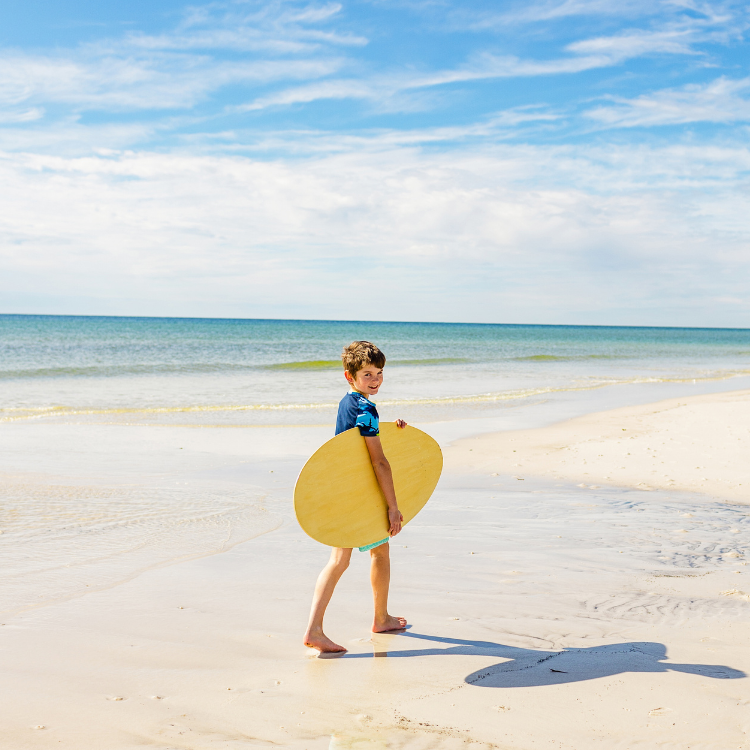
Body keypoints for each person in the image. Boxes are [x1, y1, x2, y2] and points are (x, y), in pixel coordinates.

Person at [303, 340, 408, 653]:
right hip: (361, 497)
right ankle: (376, 619)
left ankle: (322, 627)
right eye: (367, 374)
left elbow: (356, 446)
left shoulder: (348, 404)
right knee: (375, 553)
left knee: (344, 559)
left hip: (343, 490)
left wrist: (395, 432)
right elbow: (378, 461)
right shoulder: (366, 408)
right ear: (350, 377)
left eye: (379, 372)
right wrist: (392, 508)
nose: (375, 379)